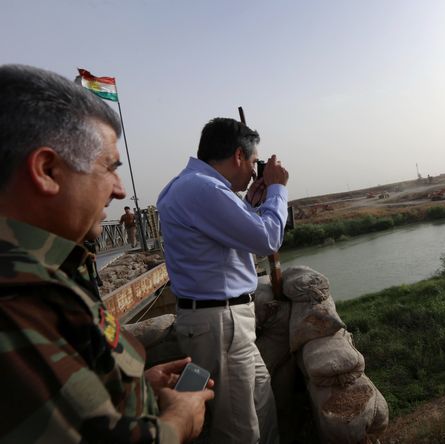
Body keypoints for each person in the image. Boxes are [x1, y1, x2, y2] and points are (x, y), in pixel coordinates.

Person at [0, 64, 214, 443]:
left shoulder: (54, 270)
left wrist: (134, 389)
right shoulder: (19, 301)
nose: (119, 190)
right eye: (109, 168)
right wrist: (177, 423)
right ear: (47, 170)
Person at [157, 117, 289, 443]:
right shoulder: (203, 189)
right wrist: (277, 190)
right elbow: (268, 238)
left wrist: (247, 206)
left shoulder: (191, 185)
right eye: (254, 162)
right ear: (238, 156)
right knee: (238, 428)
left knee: (260, 402)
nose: (253, 171)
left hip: (221, 319)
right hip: (220, 322)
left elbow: (218, 243)